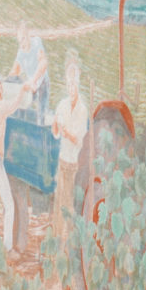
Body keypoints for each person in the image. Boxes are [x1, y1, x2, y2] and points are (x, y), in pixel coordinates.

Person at [0, 67, 30, 252]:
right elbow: (14, 105)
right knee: (9, 205)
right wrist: (22, 90)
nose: (0, 90)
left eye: (1, 87)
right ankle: (7, 245)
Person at [53, 50, 90, 218]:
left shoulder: (83, 110)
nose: (71, 89)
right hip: (62, 160)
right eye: (69, 85)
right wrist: (55, 125)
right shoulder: (62, 105)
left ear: (78, 86)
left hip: (74, 163)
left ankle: (68, 242)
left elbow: (79, 140)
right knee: (60, 202)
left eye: (73, 85)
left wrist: (66, 132)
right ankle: (58, 238)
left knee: (70, 204)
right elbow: (55, 134)